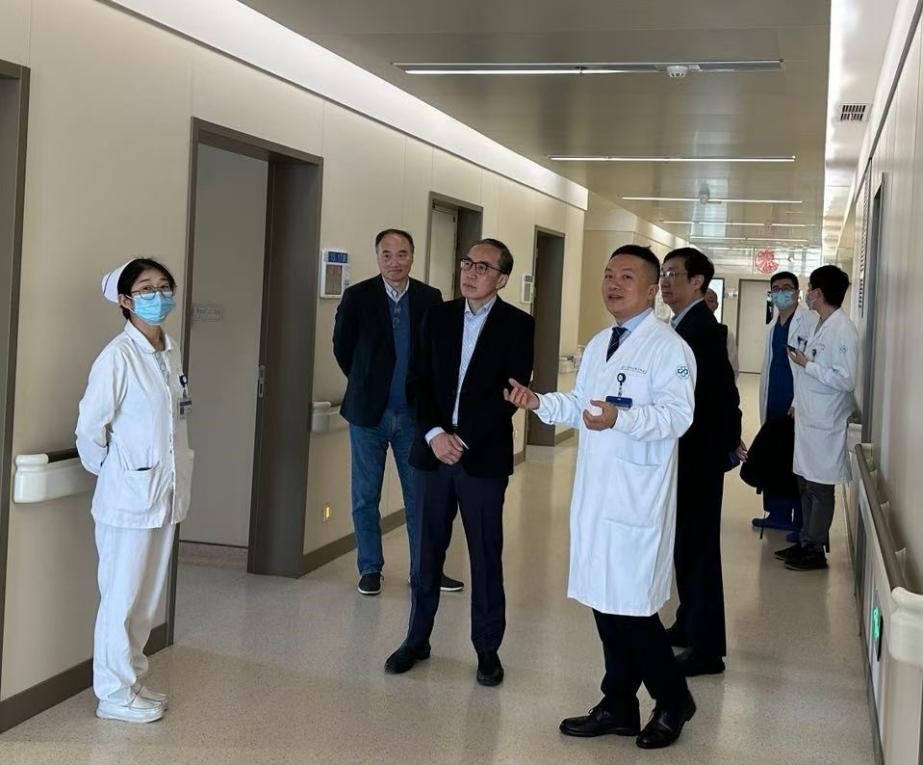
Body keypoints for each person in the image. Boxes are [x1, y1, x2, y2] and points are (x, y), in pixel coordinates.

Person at [505, 245, 697, 749]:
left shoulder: (669, 349)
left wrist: (621, 418)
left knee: (632, 609)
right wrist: (539, 402)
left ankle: (673, 699)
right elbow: (579, 405)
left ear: (652, 290)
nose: (613, 283)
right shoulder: (598, 343)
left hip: (637, 498)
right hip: (598, 495)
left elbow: (678, 417)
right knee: (606, 604)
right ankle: (618, 704)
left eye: (627, 276)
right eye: (608, 274)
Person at [384, 238, 534, 687]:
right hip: (432, 454)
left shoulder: (518, 325)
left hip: (481, 457)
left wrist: (461, 439)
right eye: (467, 263)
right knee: (426, 551)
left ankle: (487, 649)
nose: (470, 272)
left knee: (485, 553)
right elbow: (416, 381)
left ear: (502, 279)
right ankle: (417, 639)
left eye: (483, 267)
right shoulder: (437, 316)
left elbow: (509, 395)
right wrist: (434, 434)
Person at [76, 258, 193, 724]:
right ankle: (112, 692)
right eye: (146, 289)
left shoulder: (169, 350)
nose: (158, 295)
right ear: (125, 301)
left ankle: (132, 680)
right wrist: (116, 472)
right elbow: (89, 429)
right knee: (121, 599)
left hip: (163, 494)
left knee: (145, 601)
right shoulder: (117, 357)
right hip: (128, 498)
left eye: (164, 286)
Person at [333, 229, 462, 597]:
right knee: (365, 496)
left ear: (412, 257)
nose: (394, 262)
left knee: (419, 497)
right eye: (386, 254)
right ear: (377, 257)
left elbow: (437, 353)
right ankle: (369, 568)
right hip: (367, 415)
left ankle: (424, 570)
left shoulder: (429, 298)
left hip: (414, 417)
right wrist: (366, 382)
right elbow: (342, 347)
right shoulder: (358, 296)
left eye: (402, 254)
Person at [660, 247, 742, 677]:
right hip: (688, 452)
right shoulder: (681, 324)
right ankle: (689, 622)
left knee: (698, 550)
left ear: (697, 282)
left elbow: (721, 395)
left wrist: (727, 442)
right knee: (686, 545)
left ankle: (708, 649)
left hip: (698, 455)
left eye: (674, 274)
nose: (665, 282)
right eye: (662, 273)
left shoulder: (702, 329)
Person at [776, 265, 858, 571]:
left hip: (827, 422)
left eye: (810, 288)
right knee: (806, 483)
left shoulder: (843, 329)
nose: (807, 294)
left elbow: (846, 379)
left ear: (819, 293)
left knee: (820, 487)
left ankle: (815, 550)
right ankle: (806, 540)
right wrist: (797, 401)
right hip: (809, 417)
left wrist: (807, 365)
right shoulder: (820, 325)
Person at [754, 272, 818, 537]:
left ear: (797, 293)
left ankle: (798, 519)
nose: (781, 293)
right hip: (773, 399)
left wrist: (797, 400)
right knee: (774, 456)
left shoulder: (810, 320)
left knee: (795, 461)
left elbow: (809, 364)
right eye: (776, 289)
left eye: (786, 288)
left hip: (795, 401)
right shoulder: (773, 324)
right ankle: (777, 513)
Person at [704, 287, 739, 379]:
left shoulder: (726, 334)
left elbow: (733, 369)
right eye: (701, 301)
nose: (705, 304)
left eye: (710, 301)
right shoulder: (682, 331)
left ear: (716, 305)